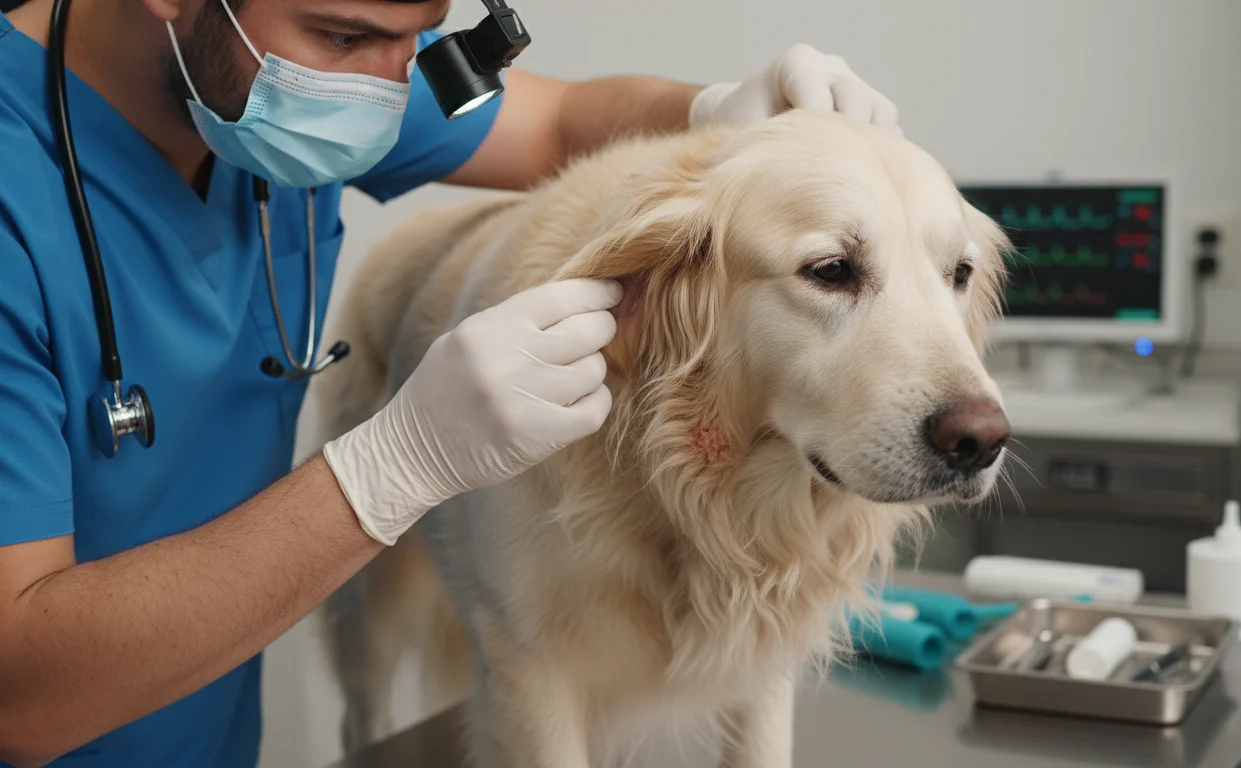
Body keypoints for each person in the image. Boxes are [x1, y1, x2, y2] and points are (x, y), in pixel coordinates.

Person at [0, 0, 900, 766]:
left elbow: (556, 124)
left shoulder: (291, 72)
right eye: (348, 38)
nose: (392, 91)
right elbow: (21, 697)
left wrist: (711, 113)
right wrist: (394, 467)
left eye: (424, 31)